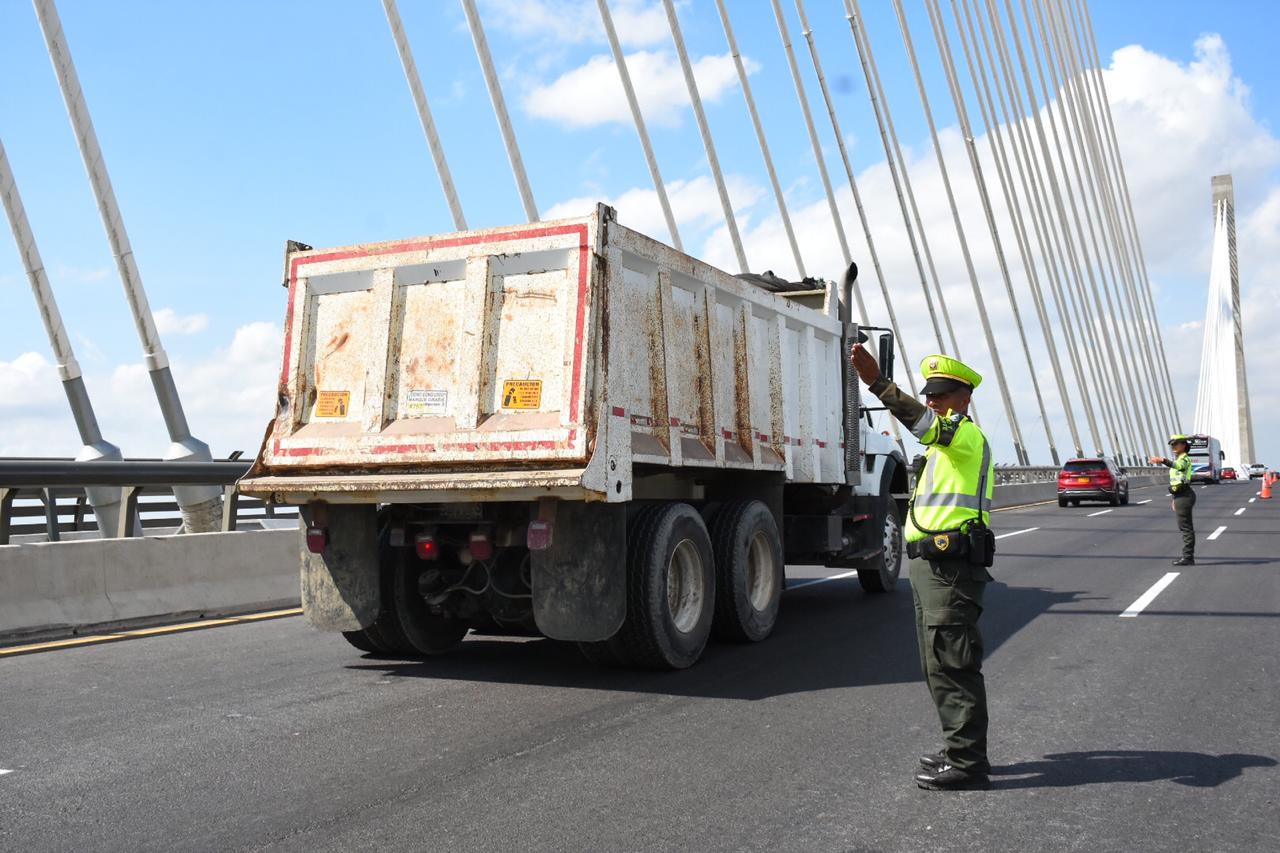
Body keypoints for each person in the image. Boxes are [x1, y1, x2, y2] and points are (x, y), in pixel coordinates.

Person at [850, 347, 995, 792]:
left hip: (950, 569)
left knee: (953, 663)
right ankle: (959, 749)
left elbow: (924, 425)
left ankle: (968, 763)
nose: (932, 401)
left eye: (942, 394)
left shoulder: (965, 437)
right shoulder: (942, 447)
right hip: (931, 566)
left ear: (964, 398)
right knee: (937, 664)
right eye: (929, 394)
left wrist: (877, 384)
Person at [1149, 435, 1195, 566]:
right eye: (1172, 445)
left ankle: (1188, 557)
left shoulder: (1184, 459)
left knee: (1186, 528)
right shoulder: (1180, 458)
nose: (1173, 447)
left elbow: (1178, 466)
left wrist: (1162, 460)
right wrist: (1175, 499)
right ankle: (1188, 556)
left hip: (1184, 495)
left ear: (1184, 445)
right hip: (1180, 495)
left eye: (1176, 444)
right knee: (1184, 527)